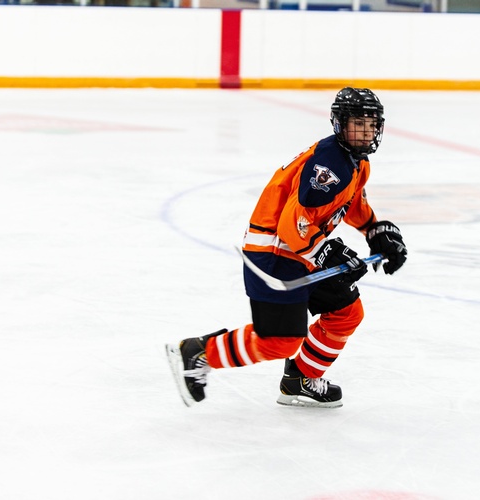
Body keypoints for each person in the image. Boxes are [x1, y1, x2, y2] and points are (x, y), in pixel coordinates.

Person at [166, 87, 408, 408]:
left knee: (346, 313)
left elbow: (350, 203)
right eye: (357, 124)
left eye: (371, 124)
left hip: (302, 252)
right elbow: (293, 225)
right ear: (339, 124)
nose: (365, 132)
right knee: (280, 342)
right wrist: (326, 252)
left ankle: (300, 380)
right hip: (275, 256)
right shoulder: (328, 167)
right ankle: (198, 352)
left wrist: (374, 230)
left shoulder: (356, 164)